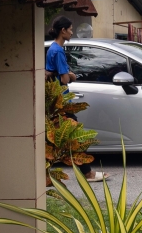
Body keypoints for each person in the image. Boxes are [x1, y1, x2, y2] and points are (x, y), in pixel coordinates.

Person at [45, 16, 109, 182]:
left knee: (60, 139)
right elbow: (65, 79)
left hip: (57, 102)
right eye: (70, 29)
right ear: (63, 30)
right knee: (75, 137)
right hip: (62, 103)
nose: (72, 32)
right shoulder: (58, 51)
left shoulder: (53, 49)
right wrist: (72, 75)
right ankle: (87, 173)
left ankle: (85, 172)